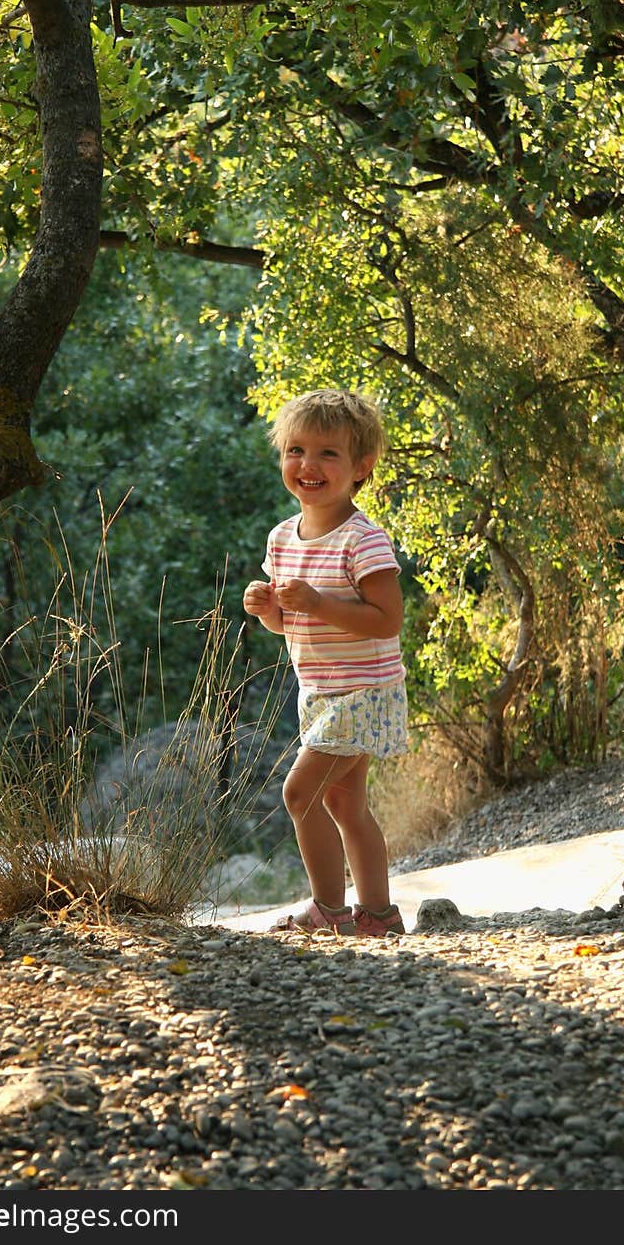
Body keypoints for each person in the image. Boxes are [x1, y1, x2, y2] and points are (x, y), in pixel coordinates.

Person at [243, 388, 408, 936]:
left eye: (327, 454)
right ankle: (380, 917)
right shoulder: (282, 538)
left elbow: (385, 620)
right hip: (318, 691)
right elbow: (291, 626)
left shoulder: (363, 540)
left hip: (366, 690)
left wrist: (318, 602)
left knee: (299, 793)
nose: (308, 465)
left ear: (360, 467)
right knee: (344, 803)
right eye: (295, 450)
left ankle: (328, 911)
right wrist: (269, 611)